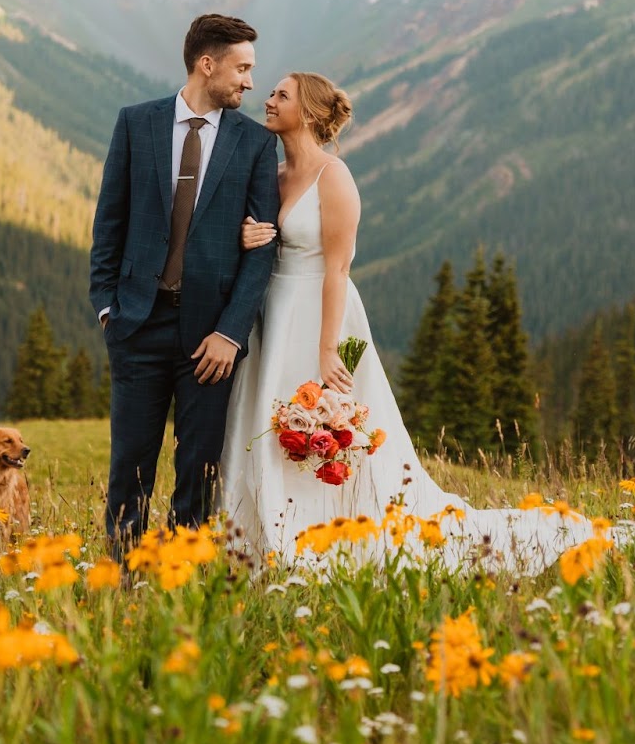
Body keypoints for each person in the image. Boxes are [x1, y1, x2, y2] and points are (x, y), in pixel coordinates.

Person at [219, 72, 611, 573]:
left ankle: (328, 536)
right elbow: (266, 238)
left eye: (281, 95)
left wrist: (326, 348)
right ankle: (262, 538)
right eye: (271, 93)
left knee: (324, 425)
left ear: (311, 112)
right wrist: (250, 235)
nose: (268, 100)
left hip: (320, 313)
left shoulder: (333, 176)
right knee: (269, 426)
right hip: (272, 313)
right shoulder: (272, 176)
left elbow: (337, 268)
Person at [90, 14, 280, 553]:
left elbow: (263, 250)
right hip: (137, 324)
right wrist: (108, 309)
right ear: (207, 64)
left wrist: (231, 332)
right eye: (242, 69)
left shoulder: (255, 144)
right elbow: (110, 223)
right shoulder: (136, 123)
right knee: (130, 464)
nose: (249, 82)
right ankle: (122, 576)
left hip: (210, 339)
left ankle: (179, 578)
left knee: (198, 467)